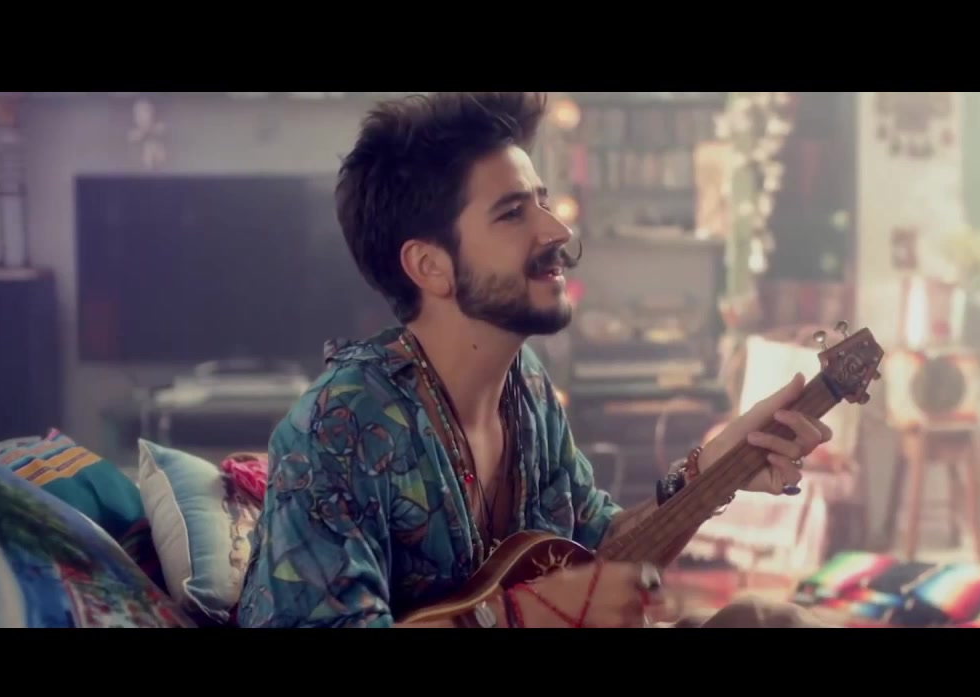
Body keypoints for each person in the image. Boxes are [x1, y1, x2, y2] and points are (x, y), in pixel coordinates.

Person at [237, 92, 833, 629]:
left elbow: (603, 555)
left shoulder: (527, 388)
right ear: (430, 266)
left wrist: (711, 472)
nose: (557, 230)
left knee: (767, 620)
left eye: (542, 203)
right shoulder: (340, 425)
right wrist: (523, 615)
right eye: (512, 213)